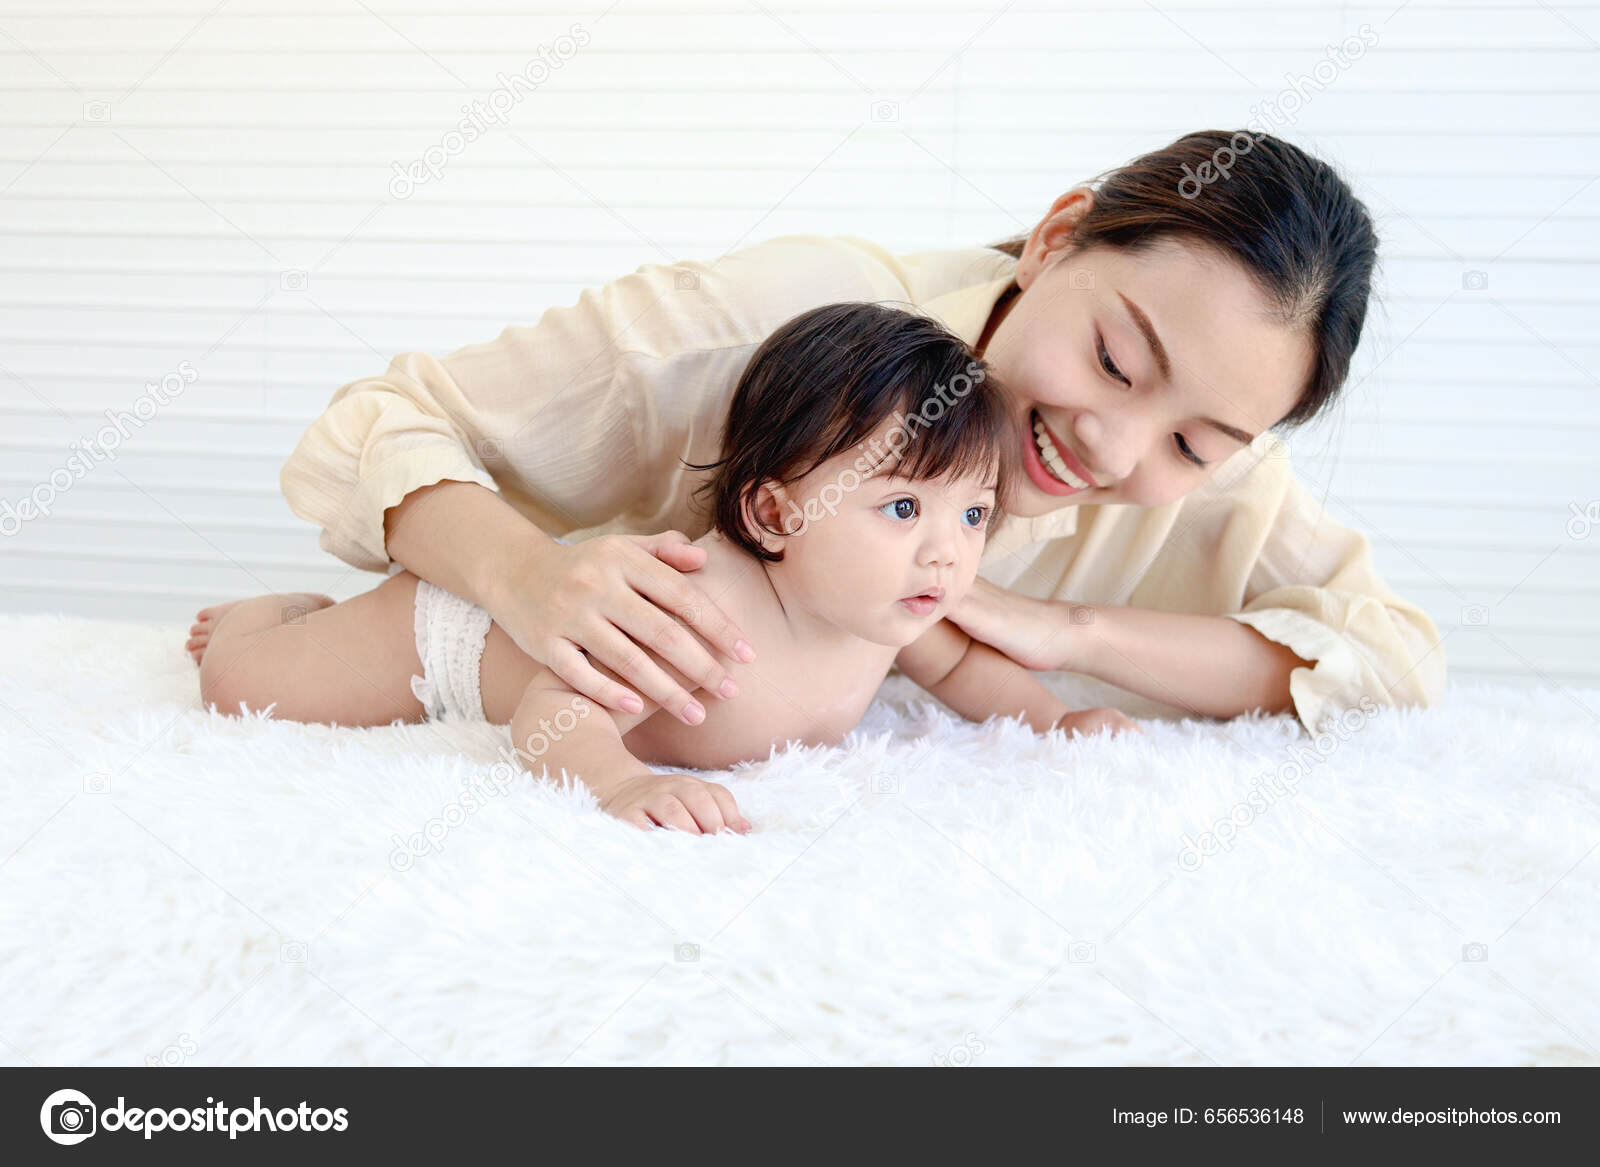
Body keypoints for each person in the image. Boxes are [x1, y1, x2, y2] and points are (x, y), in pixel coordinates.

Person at [189, 128, 1446, 743]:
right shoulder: (772, 320)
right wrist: (526, 573)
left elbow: (1392, 655)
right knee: (263, 685)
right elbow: (379, 423)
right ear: (1058, 235)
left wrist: (1074, 637)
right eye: (1117, 360)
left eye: (1196, 441)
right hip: (502, 650)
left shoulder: (1223, 479)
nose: (1115, 452)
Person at [192, 303, 1141, 834]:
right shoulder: (708, 613)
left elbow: (971, 670)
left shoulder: (894, 609)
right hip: (448, 635)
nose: (948, 549)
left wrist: (1055, 717)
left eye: (974, 513)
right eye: (902, 508)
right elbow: (547, 711)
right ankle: (265, 613)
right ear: (776, 514)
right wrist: (620, 785)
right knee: (239, 687)